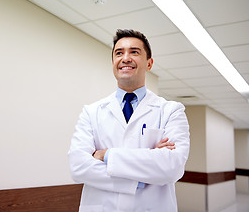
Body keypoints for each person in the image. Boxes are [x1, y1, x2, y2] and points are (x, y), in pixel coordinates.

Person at [68, 29, 190, 212]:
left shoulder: (171, 111)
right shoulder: (91, 112)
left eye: (134, 52)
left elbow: (173, 166)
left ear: (149, 63)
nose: (125, 58)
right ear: (113, 63)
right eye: (119, 53)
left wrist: (106, 155)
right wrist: (143, 173)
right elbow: (78, 166)